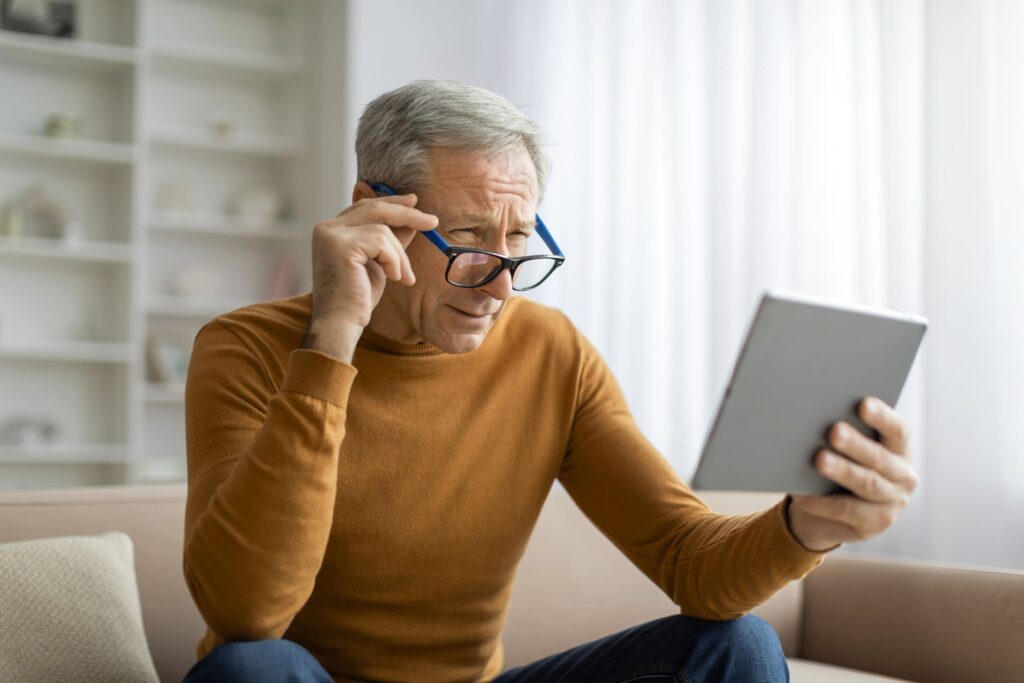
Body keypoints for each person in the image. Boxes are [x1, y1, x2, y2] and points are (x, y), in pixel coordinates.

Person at [181, 80, 919, 683]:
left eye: (520, 240)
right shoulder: (246, 348)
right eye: (467, 238)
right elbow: (249, 611)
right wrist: (333, 339)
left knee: (738, 647)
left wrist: (804, 527)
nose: (500, 287)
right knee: (253, 669)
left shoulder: (551, 351)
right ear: (376, 213)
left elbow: (691, 564)